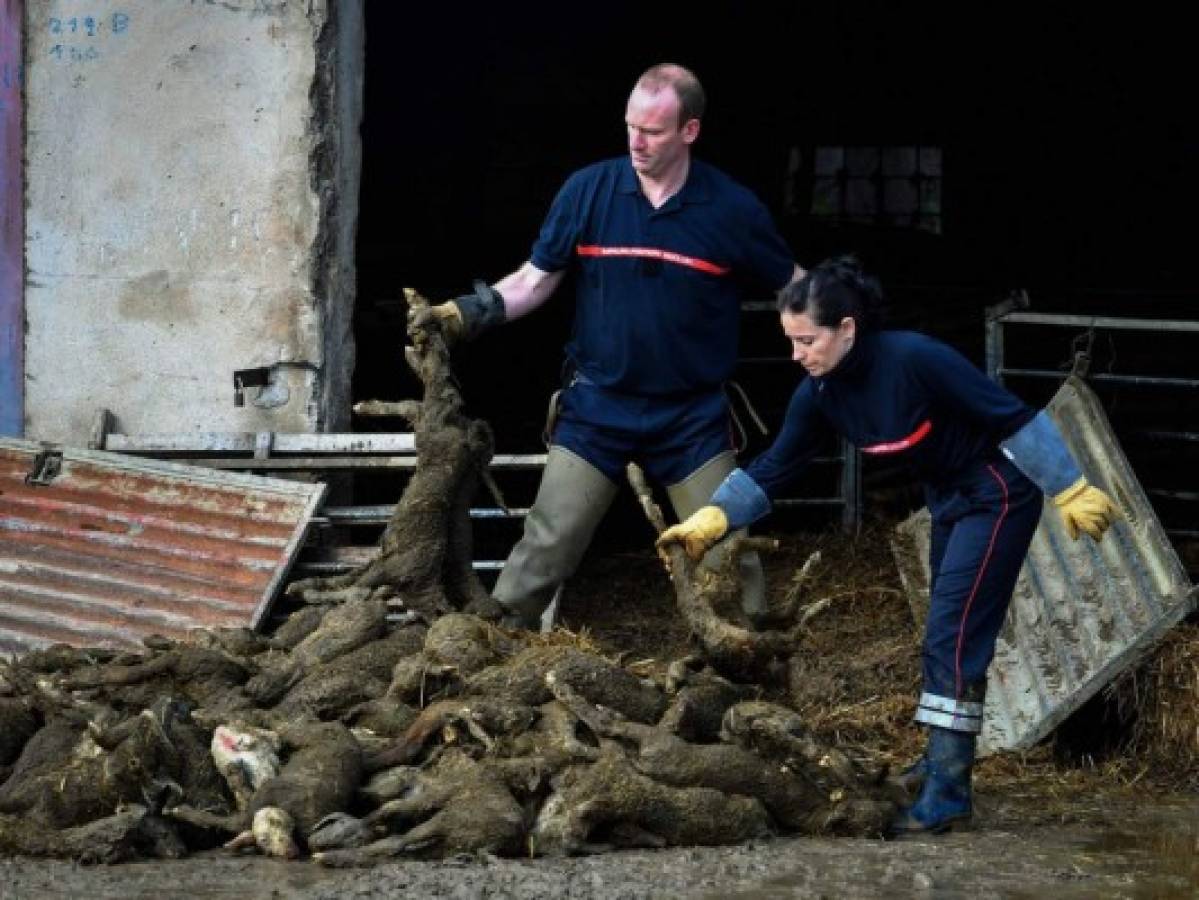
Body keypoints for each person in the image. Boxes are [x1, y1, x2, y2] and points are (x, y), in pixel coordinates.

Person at [656, 255, 1120, 835]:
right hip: (949, 499)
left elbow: (1010, 417)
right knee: (941, 633)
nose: (796, 356)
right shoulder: (821, 393)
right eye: (791, 341)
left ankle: (949, 792)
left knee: (954, 635)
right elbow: (776, 465)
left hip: (996, 494)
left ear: (847, 329)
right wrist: (712, 519)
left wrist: (1068, 485)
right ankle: (938, 762)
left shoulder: (916, 359)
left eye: (807, 340)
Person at [413, 63, 804, 631]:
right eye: (629, 127)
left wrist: (843, 326)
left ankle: (748, 673)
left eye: (652, 131)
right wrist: (464, 313)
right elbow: (534, 280)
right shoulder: (588, 190)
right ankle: (486, 657)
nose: (636, 142)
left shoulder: (732, 209)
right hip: (598, 404)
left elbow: (793, 284)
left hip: (691, 414)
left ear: (689, 132)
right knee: (546, 544)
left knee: (727, 555)